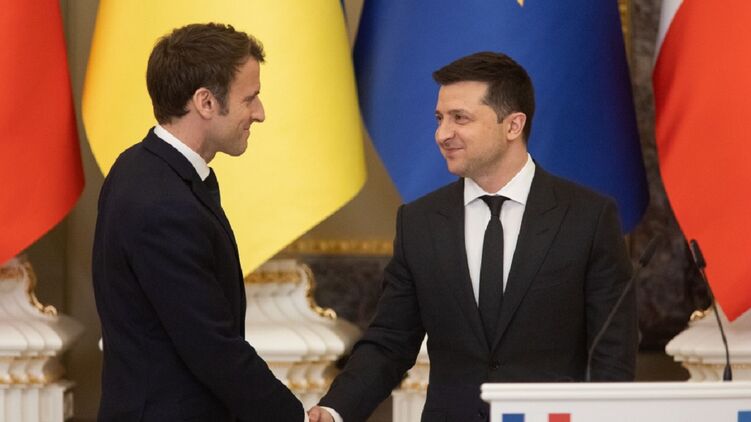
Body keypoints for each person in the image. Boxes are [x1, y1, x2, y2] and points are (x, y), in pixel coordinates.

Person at [308, 52, 638, 422]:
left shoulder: (587, 217)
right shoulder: (419, 222)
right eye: (440, 118)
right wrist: (334, 410)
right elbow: (390, 341)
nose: (442, 134)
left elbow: (613, 352)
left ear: (513, 126)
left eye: (460, 118)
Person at [92, 23, 303, 421]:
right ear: (205, 102)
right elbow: (211, 346)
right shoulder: (162, 203)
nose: (259, 113)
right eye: (250, 98)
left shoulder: (139, 166)